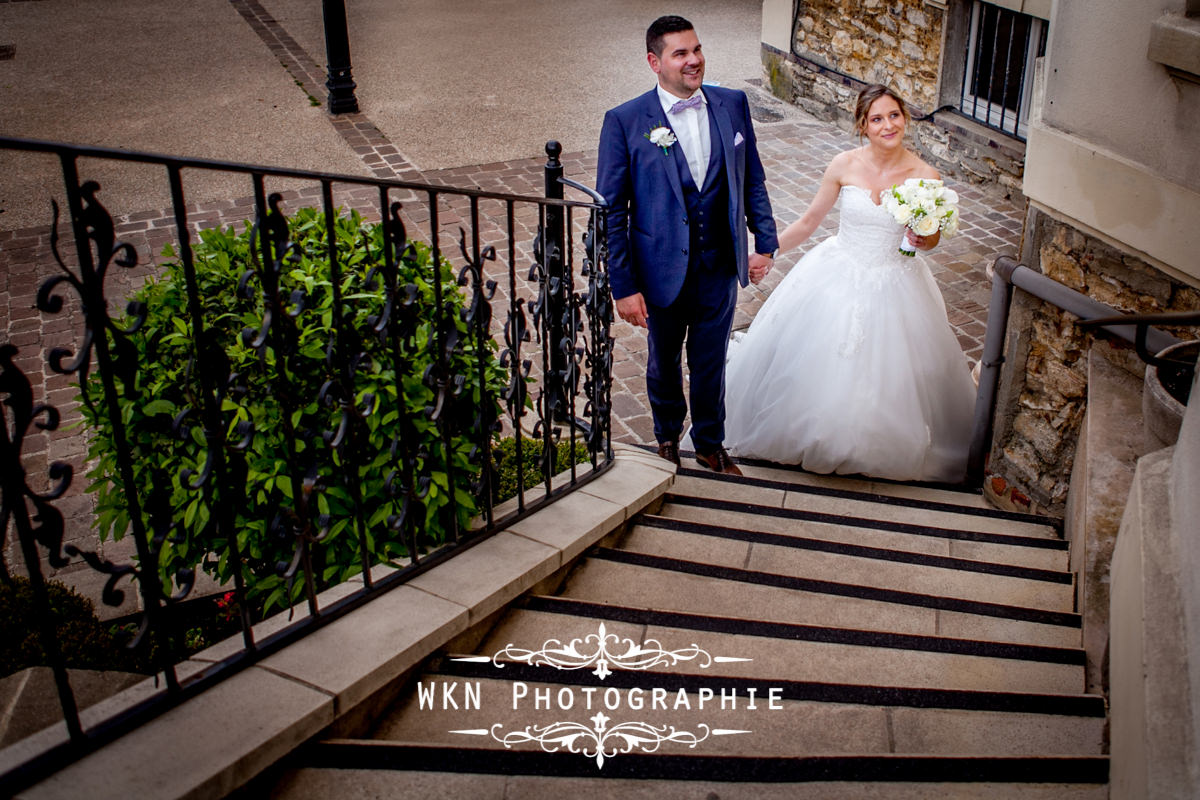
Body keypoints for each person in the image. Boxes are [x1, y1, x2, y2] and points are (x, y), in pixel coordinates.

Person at [723, 84, 976, 483]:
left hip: (897, 282)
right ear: (863, 125)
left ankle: (875, 444)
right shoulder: (844, 165)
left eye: (894, 115)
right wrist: (767, 253)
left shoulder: (926, 176)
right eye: (877, 118)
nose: (887, 125)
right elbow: (808, 222)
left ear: (905, 119)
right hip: (837, 272)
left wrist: (924, 237)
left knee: (890, 372)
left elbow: (930, 239)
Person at [597, 14, 778, 475]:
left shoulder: (732, 103)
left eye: (696, 49)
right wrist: (623, 286)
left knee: (710, 359)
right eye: (681, 53)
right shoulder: (624, 121)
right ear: (654, 62)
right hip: (659, 268)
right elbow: (612, 212)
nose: (694, 60)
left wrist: (765, 242)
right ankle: (665, 439)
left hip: (719, 263)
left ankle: (710, 443)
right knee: (662, 362)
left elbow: (751, 177)